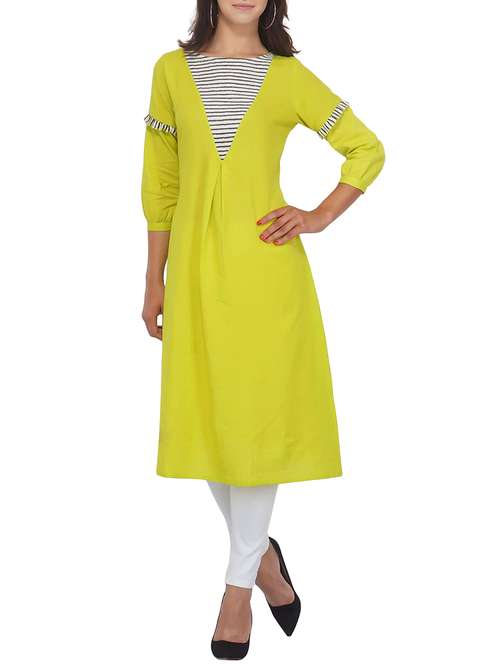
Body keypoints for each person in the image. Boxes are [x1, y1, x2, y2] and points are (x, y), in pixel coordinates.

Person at [140, 0, 385, 659]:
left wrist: (319, 216)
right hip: (194, 274)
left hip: (265, 274)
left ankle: (237, 589)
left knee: (251, 429)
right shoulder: (170, 71)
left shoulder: (287, 77)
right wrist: (154, 277)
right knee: (210, 420)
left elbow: (366, 148)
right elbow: (161, 181)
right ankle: (264, 558)